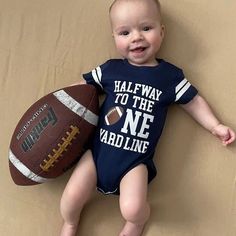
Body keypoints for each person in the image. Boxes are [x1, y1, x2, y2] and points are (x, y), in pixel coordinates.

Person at [60, 0, 235, 235]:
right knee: (69, 199)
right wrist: (60, 101)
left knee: (132, 208)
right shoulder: (111, 70)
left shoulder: (169, 76)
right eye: (125, 32)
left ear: (161, 31)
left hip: (134, 162)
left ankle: (136, 223)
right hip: (97, 153)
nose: (136, 37)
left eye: (146, 28)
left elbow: (193, 100)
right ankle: (70, 223)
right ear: (114, 37)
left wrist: (215, 125)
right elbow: (82, 89)